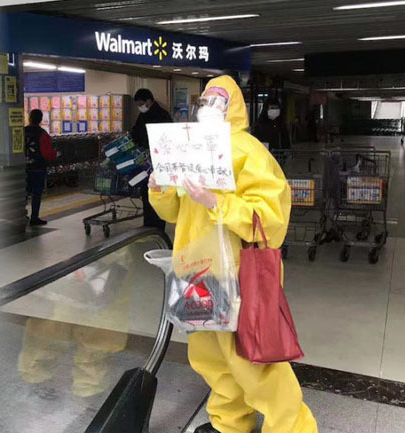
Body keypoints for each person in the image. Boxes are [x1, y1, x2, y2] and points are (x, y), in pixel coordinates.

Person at [148, 76, 318, 433]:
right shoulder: (192, 149)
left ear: (235, 108)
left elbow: (269, 220)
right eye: (206, 100)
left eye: (219, 100)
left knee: (253, 361)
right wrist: (161, 188)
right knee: (211, 358)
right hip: (195, 268)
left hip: (239, 272)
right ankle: (229, 423)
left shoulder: (249, 151)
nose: (209, 107)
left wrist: (217, 202)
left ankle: (293, 428)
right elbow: (174, 213)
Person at [131, 88, 172, 230]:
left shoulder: (162, 115)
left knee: (157, 193)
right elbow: (135, 134)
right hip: (146, 163)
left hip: (159, 163)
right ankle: (149, 225)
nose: (140, 107)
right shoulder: (143, 116)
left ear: (149, 100)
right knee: (147, 194)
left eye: (141, 103)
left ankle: (156, 227)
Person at [24, 109, 58, 226]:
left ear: (29, 118)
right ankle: (34, 218)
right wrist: (55, 154)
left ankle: (22, 215)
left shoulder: (23, 131)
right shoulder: (42, 134)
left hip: (24, 167)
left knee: (24, 192)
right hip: (38, 167)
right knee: (36, 194)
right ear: (41, 119)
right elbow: (46, 153)